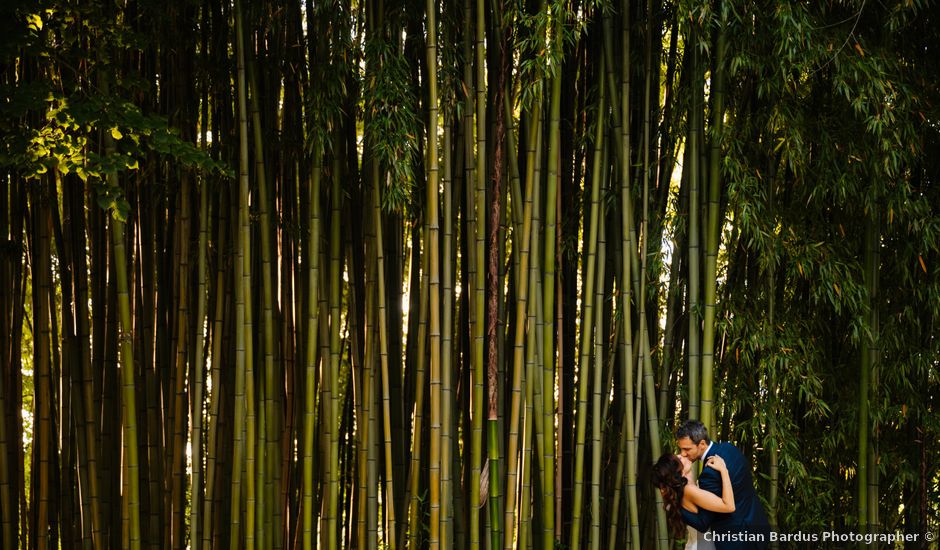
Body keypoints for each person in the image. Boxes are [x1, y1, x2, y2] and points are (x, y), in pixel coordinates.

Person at [675, 420, 770, 549]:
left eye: (687, 449)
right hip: (756, 523)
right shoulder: (729, 448)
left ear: (701, 444)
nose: (683, 454)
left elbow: (703, 523)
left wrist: (674, 505)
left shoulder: (709, 474)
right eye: (681, 449)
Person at [652, 452, 734, 549]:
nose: (683, 455)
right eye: (679, 458)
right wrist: (724, 470)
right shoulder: (688, 490)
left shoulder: (685, 490)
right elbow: (729, 506)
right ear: (678, 471)